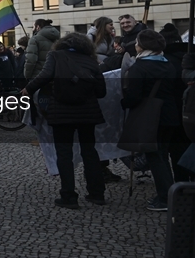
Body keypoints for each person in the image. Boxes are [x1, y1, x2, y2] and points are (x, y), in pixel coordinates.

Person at [24, 33, 107, 208]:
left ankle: (69, 196)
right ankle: (97, 193)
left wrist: (28, 89)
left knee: (64, 154)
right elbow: (101, 92)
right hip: (88, 113)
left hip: (61, 112)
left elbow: (45, 75)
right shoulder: (91, 60)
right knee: (89, 152)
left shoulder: (55, 55)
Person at [122, 30, 183, 211]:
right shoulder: (168, 64)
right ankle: (169, 194)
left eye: (137, 43)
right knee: (162, 156)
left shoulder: (139, 67)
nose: (135, 45)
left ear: (143, 46)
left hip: (151, 117)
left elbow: (134, 96)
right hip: (169, 115)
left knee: (155, 157)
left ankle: (166, 199)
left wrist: (123, 102)